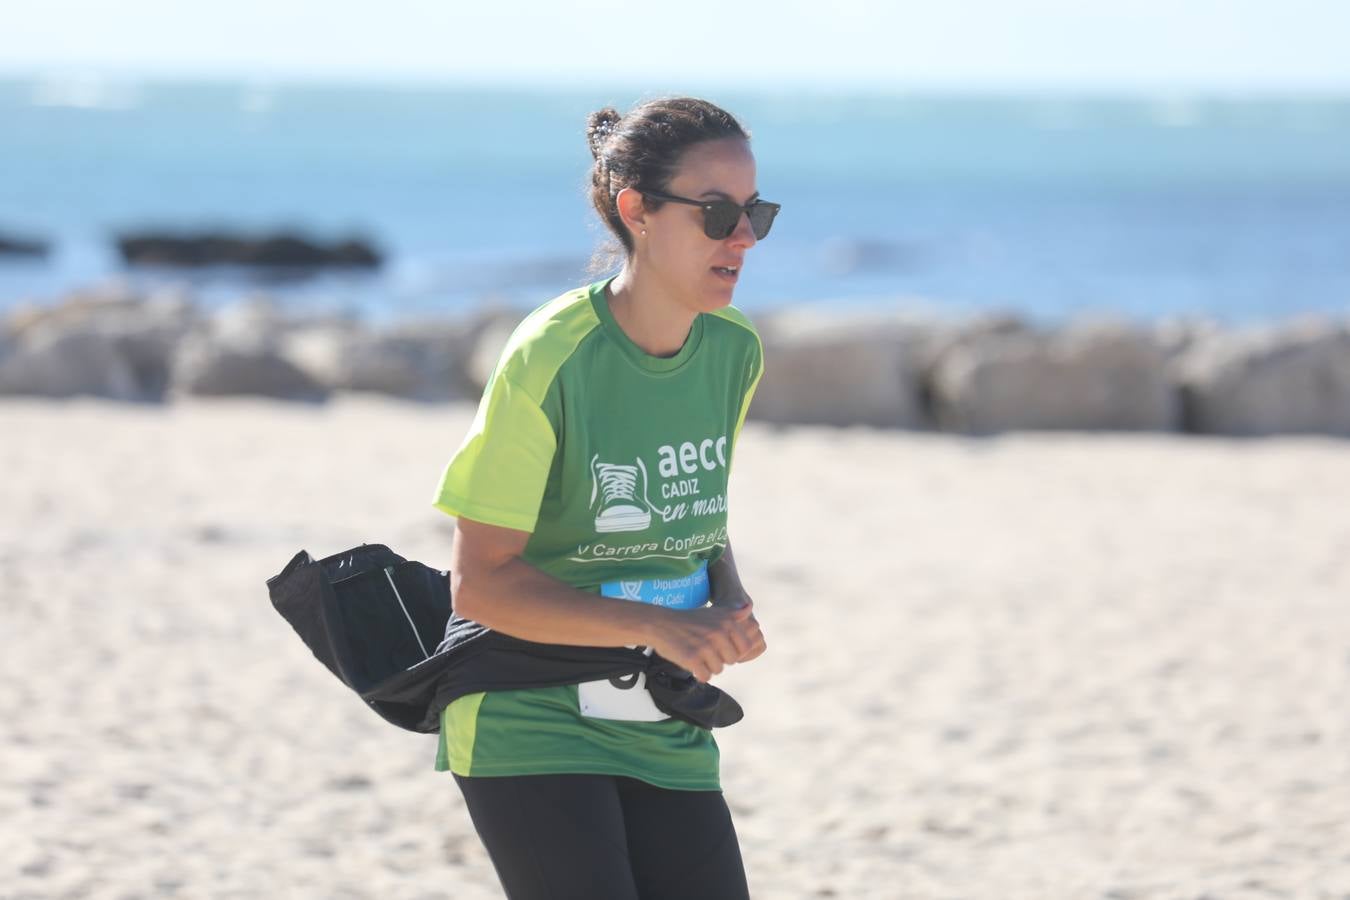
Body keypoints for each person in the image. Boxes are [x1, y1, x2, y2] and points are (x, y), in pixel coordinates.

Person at [430, 96, 780, 900]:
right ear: (638, 211)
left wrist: (724, 596)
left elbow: (690, 515)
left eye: (756, 211)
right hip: (529, 711)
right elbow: (480, 583)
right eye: (718, 212)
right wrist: (660, 623)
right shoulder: (551, 355)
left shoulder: (734, 351)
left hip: (663, 712)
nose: (744, 236)